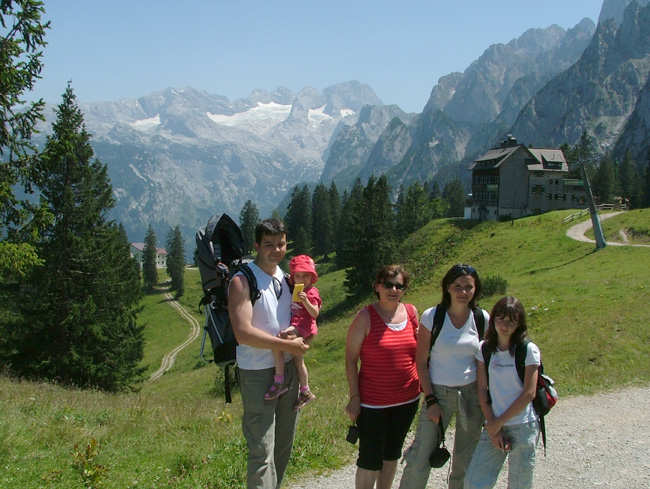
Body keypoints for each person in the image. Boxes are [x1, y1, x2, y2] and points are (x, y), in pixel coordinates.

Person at [228, 218, 309, 489]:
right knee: (262, 451)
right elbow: (243, 333)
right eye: (269, 245)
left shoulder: (285, 279)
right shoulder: (243, 281)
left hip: (288, 370)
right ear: (256, 246)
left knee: (283, 446)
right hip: (257, 372)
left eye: (281, 244)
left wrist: (298, 337)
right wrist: (288, 346)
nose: (276, 250)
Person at [399, 264, 489, 489]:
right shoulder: (433, 316)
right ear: (447, 288)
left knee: (465, 457)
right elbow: (421, 362)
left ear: (475, 289)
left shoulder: (481, 318)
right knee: (421, 455)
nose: (463, 292)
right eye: (457, 286)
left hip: (471, 393)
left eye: (468, 287)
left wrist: (486, 399)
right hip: (438, 392)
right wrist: (430, 400)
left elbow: (485, 363)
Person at [345, 265, 420, 489]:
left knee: (391, 454)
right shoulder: (365, 317)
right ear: (377, 286)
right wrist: (355, 397)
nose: (394, 289)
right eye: (388, 284)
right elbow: (350, 360)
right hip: (373, 403)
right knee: (369, 460)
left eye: (400, 285)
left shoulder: (411, 312)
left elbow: (420, 353)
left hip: (407, 400)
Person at [464, 296, 540, 489]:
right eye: (500, 318)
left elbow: (528, 394)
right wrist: (493, 425)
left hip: (523, 425)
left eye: (511, 321)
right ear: (494, 319)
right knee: (474, 482)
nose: (504, 325)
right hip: (494, 423)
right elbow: (482, 388)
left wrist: (498, 423)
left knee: (519, 484)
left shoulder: (528, 350)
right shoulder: (485, 349)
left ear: (519, 324)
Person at [264, 254, 321, 411]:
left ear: (312, 277)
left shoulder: (311, 292)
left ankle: (279, 380)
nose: (301, 279)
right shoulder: (295, 287)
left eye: (305, 276)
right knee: (297, 360)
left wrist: (306, 301)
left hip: (304, 328)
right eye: (298, 276)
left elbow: (315, 313)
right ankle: (305, 390)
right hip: (297, 325)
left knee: (278, 341)